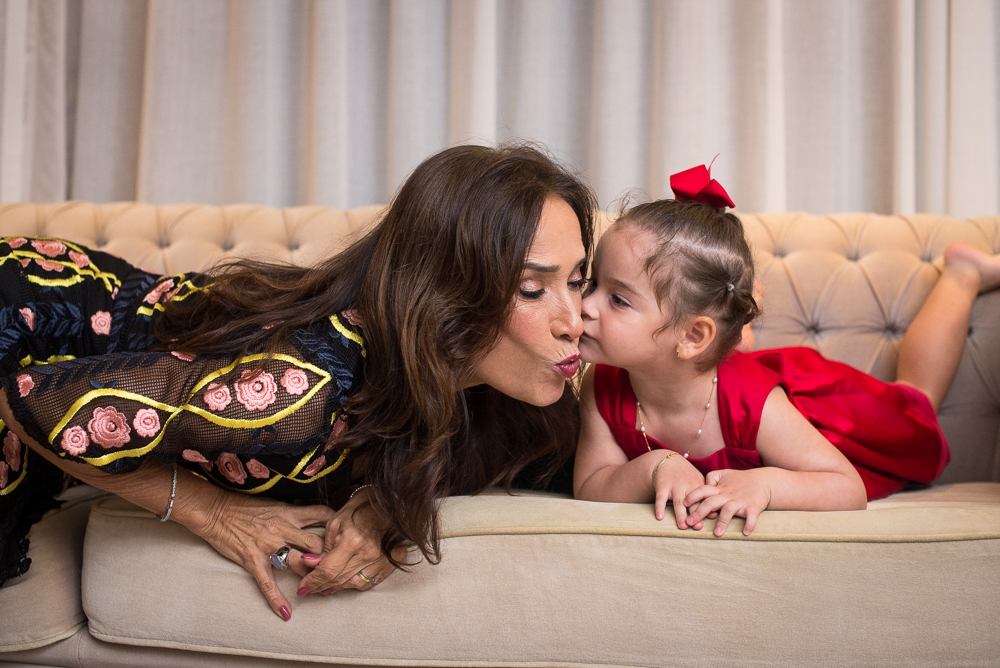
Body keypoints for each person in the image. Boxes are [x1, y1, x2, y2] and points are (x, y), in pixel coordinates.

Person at [0, 143, 595, 620]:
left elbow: (574, 468)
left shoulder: (507, 387)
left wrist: (385, 504)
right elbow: (32, 400)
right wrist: (214, 512)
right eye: (532, 289)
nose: (574, 320)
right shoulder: (303, 387)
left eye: (577, 279)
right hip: (26, 320)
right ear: (444, 295)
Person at [574, 165, 1000, 536]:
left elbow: (847, 487)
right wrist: (656, 466)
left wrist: (766, 485)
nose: (585, 305)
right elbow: (591, 483)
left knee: (916, 401)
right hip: (707, 367)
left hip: (821, 419)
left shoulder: (754, 403)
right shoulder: (602, 381)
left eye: (618, 299)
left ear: (691, 337)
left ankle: (962, 275)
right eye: (592, 283)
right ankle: (737, 327)